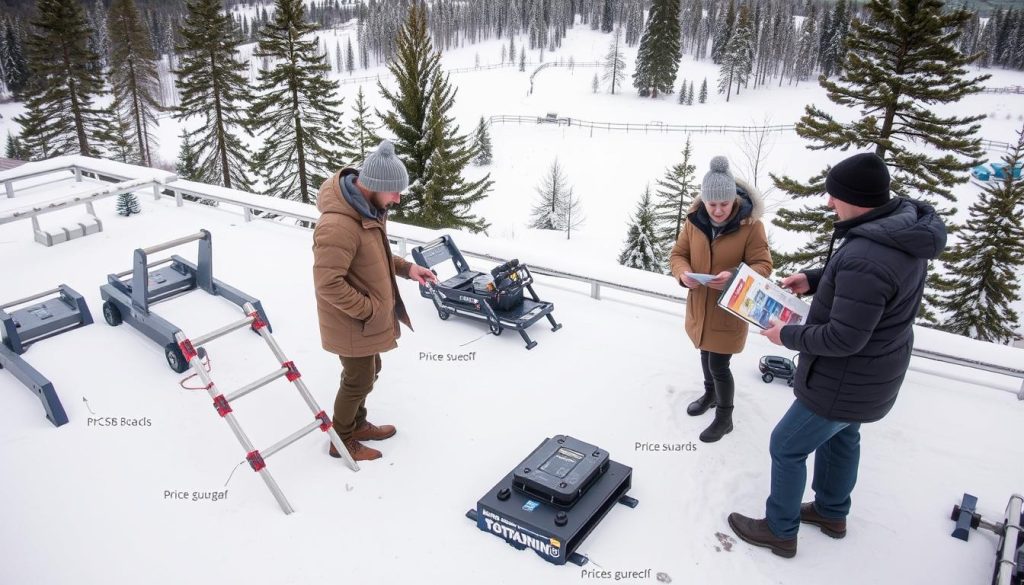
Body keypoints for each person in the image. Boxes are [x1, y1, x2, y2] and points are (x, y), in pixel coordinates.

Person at [728, 152, 947, 558]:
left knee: (786, 446)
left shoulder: (869, 255)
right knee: (843, 437)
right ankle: (831, 512)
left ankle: (780, 530)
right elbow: (865, 288)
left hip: (845, 377)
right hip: (873, 374)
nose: (829, 203)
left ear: (857, 199)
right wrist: (814, 279)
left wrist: (787, 335)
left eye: (834, 196)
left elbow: (845, 337)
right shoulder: (897, 230)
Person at [312, 140, 437, 462]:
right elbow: (328, 283)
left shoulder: (368, 210)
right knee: (357, 379)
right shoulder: (338, 224)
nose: (398, 197)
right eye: (395, 191)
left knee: (370, 370)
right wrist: (369, 311)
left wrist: (408, 268)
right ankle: (341, 441)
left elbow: (375, 255)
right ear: (375, 186)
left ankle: (356, 424)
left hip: (362, 319)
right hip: (350, 320)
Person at [669, 156, 773, 443]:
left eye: (723, 204)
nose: (717, 210)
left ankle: (725, 417)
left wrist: (735, 275)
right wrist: (684, 273)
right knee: (705, 352)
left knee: (719, 365)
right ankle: (710, 394)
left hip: (728, 310)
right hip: (700, 307)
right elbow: (678, 255)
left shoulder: (751, 226)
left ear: (733, 201)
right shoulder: (694, 221)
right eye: (711, 204)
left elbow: (763, 265)